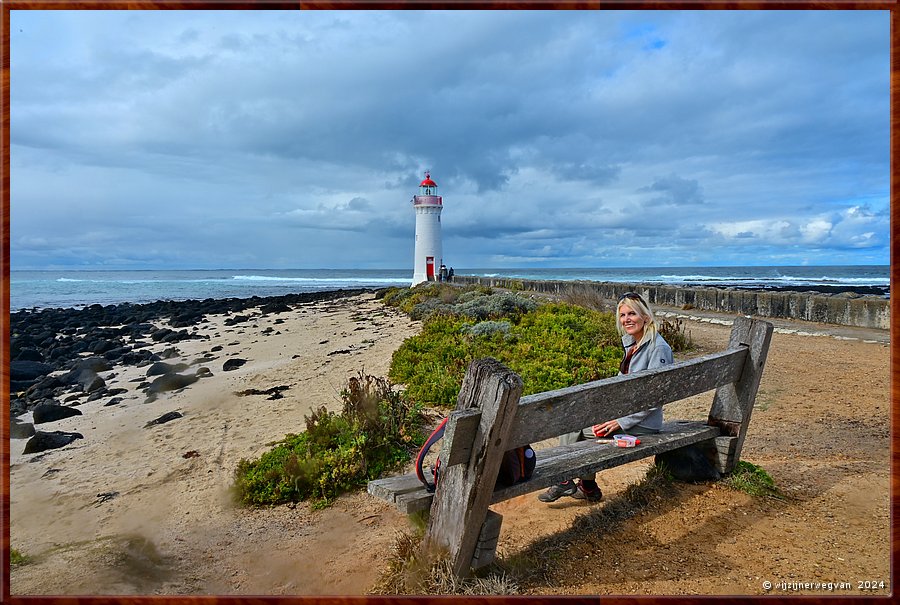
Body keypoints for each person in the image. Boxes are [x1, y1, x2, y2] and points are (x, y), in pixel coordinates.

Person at [538, 291, 674, 503]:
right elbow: (620, 386)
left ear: (645, 317)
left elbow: (655, 397)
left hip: (644, 424)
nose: (627, 319)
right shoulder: (633, 342)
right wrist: (602, 408)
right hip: (627, 415)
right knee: (581, 417)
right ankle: (587, 486)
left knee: (579, 428)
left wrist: (620, 422)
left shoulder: (657, 348)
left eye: (632, 314)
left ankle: (565, 480)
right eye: (622, 315)